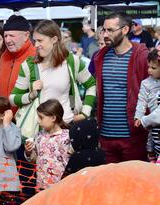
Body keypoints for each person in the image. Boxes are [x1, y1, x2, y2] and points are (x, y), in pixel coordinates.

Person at [11, 19, 96, 124]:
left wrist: (85, 113)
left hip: (66, 128)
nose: (36, 45)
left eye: (40, 40)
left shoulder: (72, 61)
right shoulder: (29, 65)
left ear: (54, 39)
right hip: (38, 131)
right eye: (35, 41)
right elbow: (13, 99)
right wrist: (30, 95)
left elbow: (91, 84)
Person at [94, 12, 149, 163]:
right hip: (106, 137)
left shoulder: (141, 56)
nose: (105, 34)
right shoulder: (100, 56)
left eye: (110, 30)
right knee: (110, 184)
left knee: (134, 183)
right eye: (103, 30)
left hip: (133, 137)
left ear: (125, 30)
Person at [24, 99, 71, 190]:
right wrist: (29, 152)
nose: (38, 121)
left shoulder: (66, 137)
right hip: (41, 185)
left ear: (53, 118)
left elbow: (68, 163)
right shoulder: (39, 135)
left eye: (41, 117)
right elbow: (35, 159)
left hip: (59, 188)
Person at [0, 15, 36, 101]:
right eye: (5, 36)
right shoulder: (4, 56)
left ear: (26, 36)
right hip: (4, 112)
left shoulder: (35, 57)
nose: (7, 40)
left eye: (11, 35)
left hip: (25, 113)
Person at [134, 49, 160, 164]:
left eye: (154, 68)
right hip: (152, 121)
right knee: (151, 142)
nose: (149, 70)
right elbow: (142, 100)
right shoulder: (146, 83)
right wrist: (138, 116)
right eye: (148, 67)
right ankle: (152, 158)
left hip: (154, 118)